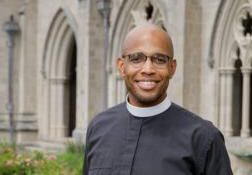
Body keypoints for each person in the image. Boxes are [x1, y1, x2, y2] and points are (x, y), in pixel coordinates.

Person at [83, 23, 233, 175]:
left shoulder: (203, 139)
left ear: (172, 68)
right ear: (122, 66)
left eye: (159, 60)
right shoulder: (98, 128)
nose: (148, 69)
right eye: (136, 59)